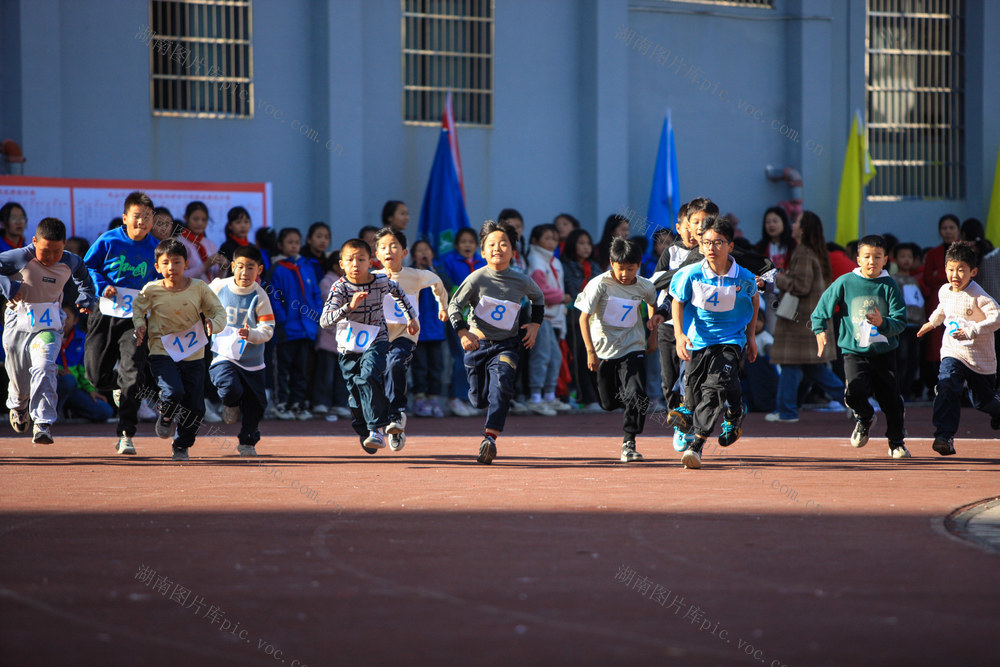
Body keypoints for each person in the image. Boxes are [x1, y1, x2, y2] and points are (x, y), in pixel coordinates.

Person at [448, 220, 544, 464]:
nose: (497, 248)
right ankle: (481, 404)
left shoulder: (521, 280)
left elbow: (538, 297)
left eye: (504, 244)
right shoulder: (476, 278)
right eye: (491, 244)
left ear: (513, 251)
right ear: (482, 251)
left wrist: (535, 324)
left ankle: (489, 438)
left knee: (501, 386)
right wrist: (462, 333)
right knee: (478, 399)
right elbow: (454, 306)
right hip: (477, 346)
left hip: (506, 345)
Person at [666, 217, 759, 469]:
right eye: (706, 242)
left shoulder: (743, 276)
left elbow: (754, 299)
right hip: (698, 340)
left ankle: (696, 446)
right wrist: (679, 335)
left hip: (730, 340)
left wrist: (750, 337)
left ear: (730, 245)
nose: (711, 248)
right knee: (695, 391)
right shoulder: (691, 273)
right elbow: (677, 300)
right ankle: (735, 411)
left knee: (715, 388)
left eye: (718, 242)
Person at [811, 235, 910, 458]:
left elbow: (900, 321)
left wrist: (883, 323)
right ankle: (864, 417)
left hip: (884, 352)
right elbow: (823, 306)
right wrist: (819, 329)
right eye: (866, 257)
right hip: (854, 351)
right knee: (854, 393)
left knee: (891, 401)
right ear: (858, 259)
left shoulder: (889, 285)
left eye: (877, 257)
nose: (871, 261)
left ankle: (896, 442)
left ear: (886, 259)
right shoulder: (846, 282)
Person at [0, 217, 96, 444]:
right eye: (45, 251)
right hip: (18, 323)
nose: (51, 257)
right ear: (34, 241)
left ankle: (42, 423)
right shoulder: (21, 256)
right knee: (19, 378)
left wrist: (86, 298)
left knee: (45, 367)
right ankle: (18, 404)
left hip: (49, 326)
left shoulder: (71, 261)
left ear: (64, 244)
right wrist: (9, 287)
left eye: (57, 251)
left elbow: (84, 278)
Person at [319, 238, 417, 453]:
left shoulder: (380, 282)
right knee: (354, 394)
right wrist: (349, 307)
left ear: (371, 262)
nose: (356, 264)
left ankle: (376, 429)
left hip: (377, 339)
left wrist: (411, 318)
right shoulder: (340, 287)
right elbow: (324, 321)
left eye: (361, 259)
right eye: (350, 260)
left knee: (368, 375)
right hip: (349, 347)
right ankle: (365, 430)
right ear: (341, 264)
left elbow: (399, 292)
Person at [133, 239, 227, 461]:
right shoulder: (151, 290)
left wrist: (214, 324)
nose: (171, 268)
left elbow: (218, 312)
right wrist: (140, 324)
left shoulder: (199, 288)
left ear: (186, 264)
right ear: (157, 266)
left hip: (193, 354)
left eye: (177, 262)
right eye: (165, 263)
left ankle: (182, 445)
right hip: (161, 351)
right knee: (173, 391)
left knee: (195, 408)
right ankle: (165, 416)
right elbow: (138, 310)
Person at [83, 191, 159, 455]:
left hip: (136, 319)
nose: (142, 222)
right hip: (105, 314)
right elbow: (87, 266)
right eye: (137, 216)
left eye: (148, 217)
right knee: (96, 375)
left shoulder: (155, 248)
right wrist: (102, 286)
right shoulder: (109, 240)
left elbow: (161, 282)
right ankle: (118, 385)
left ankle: (126, 433)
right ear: (125, 217)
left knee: (133, 373)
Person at [576, 237, 665, 462]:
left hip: (632, 346)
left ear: (639, 266)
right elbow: (583, 318)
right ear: (611, 264)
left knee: (637, 394)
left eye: (630, 269)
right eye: (620, 268)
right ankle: (629, 403)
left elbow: (653, 304)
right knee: (608, 403)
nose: (625, 274)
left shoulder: (644, 285)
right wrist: (590, 352)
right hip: (603, 351)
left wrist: (652, 335)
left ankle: (629, 442)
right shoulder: (600, 284)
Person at [916, 242, 1000, 455]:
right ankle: (944, 436)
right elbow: (943, 309)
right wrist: (932, 323)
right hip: (953, 352)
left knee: (982, 401)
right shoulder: (945, 290)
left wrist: (972, 329)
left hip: (979, 359)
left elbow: (996, 318)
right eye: (951, 269)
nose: (955, 274)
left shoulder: (979, 296)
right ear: (945, 269)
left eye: (961, 269)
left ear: (973, 272)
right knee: (947, 386)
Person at [373, 227, 449, 450]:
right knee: (373, 377)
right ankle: (377, 426)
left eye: (394, 245)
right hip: (377, 338)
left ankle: (396, 416)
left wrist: (442, 307)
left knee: (395, 364)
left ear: (404, 252)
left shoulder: (415, 275)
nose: (389, 250)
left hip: (406, 334)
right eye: (383, 247)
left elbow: (436, 281)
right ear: (376, 254)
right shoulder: (372, 278)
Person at [765, 211, 844, 423]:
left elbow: (800, 285)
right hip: (809, 319)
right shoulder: (813, 251)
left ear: (803, 229)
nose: (793, 224)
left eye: (797, 222)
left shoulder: (803, 252)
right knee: (811, 368)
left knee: (793, 364)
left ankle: (786, 411)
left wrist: (778, 278)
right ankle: (854, 402)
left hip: (800, 320)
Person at [208, 245, 275, 456]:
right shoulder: (219, 286)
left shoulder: (260, 295)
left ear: (259, 270)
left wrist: (252, 334)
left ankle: (247, 442)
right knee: (229, 388)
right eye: (240, 267)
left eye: (250, 268)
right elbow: (200, 304)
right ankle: (230, 403)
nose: (244, 273)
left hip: (252, 361)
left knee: (256, 405)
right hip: (224, 355)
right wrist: (208, 320)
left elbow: (268, 328)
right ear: (233, 266)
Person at [267, 227, 322, 420]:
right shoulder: (277, 269)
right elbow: (272, 297)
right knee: (283, 368)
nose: (293, 245)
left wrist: (317, 315)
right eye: (289, 242)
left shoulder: (306, 266)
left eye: (296, 242)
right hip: (286, 330)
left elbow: (315, 293)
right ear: (281, 245)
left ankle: (298, 403)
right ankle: (282, 402)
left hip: (306, 329)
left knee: (301, 369)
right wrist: (281, 319)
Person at [526, 223, 571, 415]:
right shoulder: (536, 260)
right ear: (535, 240)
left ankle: (549, 396)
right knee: (542, 355)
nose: (551, 242)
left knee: (555, 356)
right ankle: (535, 398)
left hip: (552, 315)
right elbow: (539, 290)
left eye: (554, 238)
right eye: (547, 238)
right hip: (538, 314)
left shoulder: (554, 260)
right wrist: (562, 297)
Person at [439, 226, 485, 416]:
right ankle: (455, 397)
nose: (467, 245)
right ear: (457, 245)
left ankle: (469, 397)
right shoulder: (448, 261)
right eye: (463, 242)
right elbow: (445, 284)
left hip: (478, 317)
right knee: (461, 355)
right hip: (457, 315)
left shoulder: (483, 262)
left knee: (477, 356)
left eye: (471, 242)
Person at [561, 228, 603, 413]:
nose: (586, 247)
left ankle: (596, 397)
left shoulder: (594, 266)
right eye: (581, 243)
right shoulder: (565, 265)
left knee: (595, 356)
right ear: (572, 245)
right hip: (573, 318)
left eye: (588, 243)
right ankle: (580, 396)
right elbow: (570, 288)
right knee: (577, 358)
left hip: (595, 319)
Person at [409, 239, 449, 418]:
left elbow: (446, 287)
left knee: (436, 366)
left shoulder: (438, 271)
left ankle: (434, 398)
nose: (423, 253)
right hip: (418, 330)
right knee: (420, 366)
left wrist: (431, 269)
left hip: (436, 329)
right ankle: (419, 398)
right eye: (419, 251)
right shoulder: (409, 273)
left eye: (427, 250)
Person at [56, 306, 114, 423]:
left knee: (105, 411)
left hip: (74, 388)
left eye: (67, 317)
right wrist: (56, 370)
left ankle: (72, 412)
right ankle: (53, 412)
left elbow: (85, 369)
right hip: (53, 387)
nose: (63, 320)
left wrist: (90, 390)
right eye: (59, 316)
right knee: (68, 380)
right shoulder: (48, 336)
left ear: (75, 321)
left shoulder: (82, 339)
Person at [312, 253, 351, 420]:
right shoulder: (327, 282)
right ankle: (322, 403)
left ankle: (339, 404)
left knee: (341, 372)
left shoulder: (349, 282)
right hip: (329, 336)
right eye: (346, 263)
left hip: (345, 337)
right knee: (325, 373)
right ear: (336, 265)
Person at [891, 242, 926, 400]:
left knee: (914, 359)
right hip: (901, 325)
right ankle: (898, 390)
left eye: (909, 257)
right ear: (895, 259)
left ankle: (907, 389)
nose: (906, 260)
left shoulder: (914, 280)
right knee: (901, 358)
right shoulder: (893, 279)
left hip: (916, 326)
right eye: (902, 256)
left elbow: (919, 304)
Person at [755, 206, 796, 334]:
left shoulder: (793, 245)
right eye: (768, 222)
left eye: (775, 221)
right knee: (773, 332)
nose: (771, 225)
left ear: (784, 222)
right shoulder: (760, 247)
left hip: (790, 294)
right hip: (770, 295)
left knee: (790, 331)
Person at [177, 201, 221, 283]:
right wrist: (205, 265)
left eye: (204, 220)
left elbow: (217, 279)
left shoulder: (211, 244)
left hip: (209, 292)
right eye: (195, 219)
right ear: (186, 218)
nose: (200, 223)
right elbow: (178, 276)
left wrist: (223, 268)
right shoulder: (178, 243)